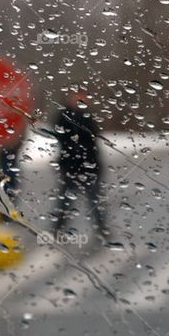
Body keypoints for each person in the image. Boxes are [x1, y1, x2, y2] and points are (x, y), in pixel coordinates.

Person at [50, 87, 110, 244]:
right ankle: (58, 230)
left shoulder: (87, 116)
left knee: (94, 201)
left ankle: (101, 229)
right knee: (65, 201)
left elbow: (93, 142)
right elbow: (62, 139)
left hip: (89, 166)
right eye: (77, 96)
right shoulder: (64, 116)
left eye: (83, 96)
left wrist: (96, 164)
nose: (80, 99)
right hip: (70, 166)